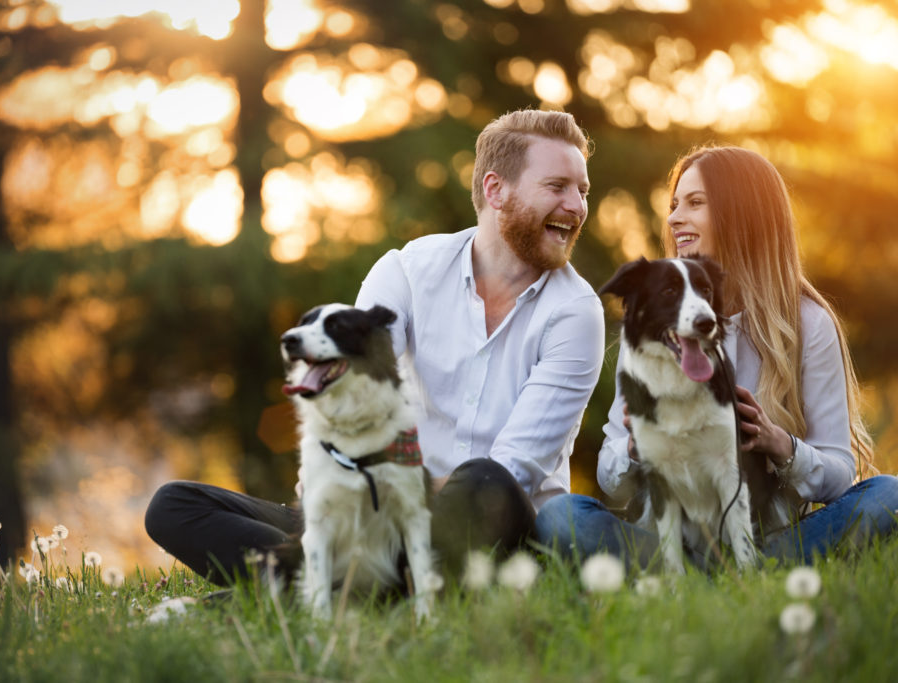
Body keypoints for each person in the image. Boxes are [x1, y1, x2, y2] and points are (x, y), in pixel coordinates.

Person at [145, 109, 606, 584]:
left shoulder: (575, 313)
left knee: (487, 479)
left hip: (491, 533)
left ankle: (313, 586)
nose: (576, 206)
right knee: (175, 505)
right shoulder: (407, 270)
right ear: (496, 190)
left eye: (582, 191)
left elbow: (517, 469)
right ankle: (351, 586)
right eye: (557, 187)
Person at [535, 145, 898, 569]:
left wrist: (780, 445)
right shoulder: (653, 326)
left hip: (769, 535)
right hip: (668, 536)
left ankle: (748, 567)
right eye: (675, 205)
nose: (675, 218)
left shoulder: (807, 322)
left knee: (891, 496)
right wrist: (634, 448)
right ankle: (699, 572)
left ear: (743, 214)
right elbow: (610, 475)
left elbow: (840, 475)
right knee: (560, 516)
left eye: (695, 203)